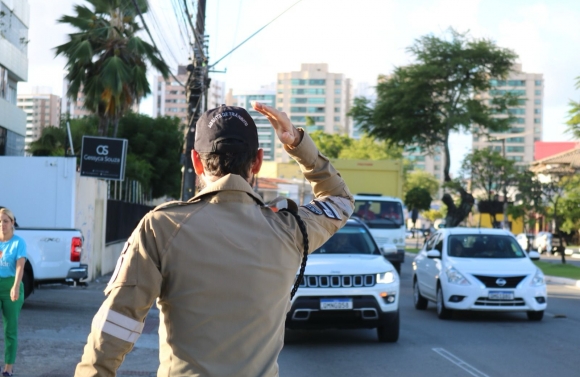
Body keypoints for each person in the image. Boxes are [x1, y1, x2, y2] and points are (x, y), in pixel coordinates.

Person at [74, 103, 354, 377]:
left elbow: (117, 323)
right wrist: (297, 143)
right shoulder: (291, 230)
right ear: (257, 161)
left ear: (196, 161)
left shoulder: (162, 227)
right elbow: (340, 200)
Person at [0, 208, 26, 377]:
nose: (2, 225)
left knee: (10, 329)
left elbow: (20, 266)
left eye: (5, 221)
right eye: (0, 221)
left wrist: (15, 286)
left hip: (11, 286)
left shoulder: (18, 242)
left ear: (12, 223)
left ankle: (8, 367)